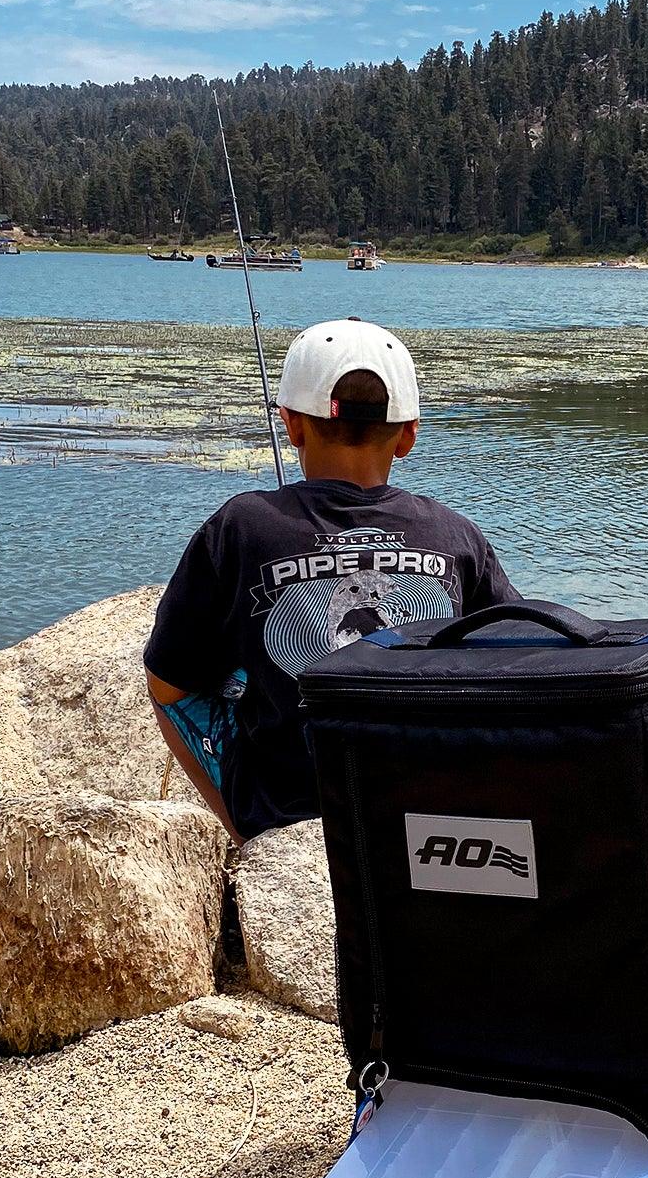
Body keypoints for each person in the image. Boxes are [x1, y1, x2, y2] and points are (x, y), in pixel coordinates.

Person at [144, 319, 517, 842]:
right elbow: (516, 657)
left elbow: (169, 684)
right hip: (426, 810)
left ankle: (247, 834)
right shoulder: (456, 534)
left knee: (177, 683)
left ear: (293, 426)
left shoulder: (241, 526)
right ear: (408, 434)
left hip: (291, 816)